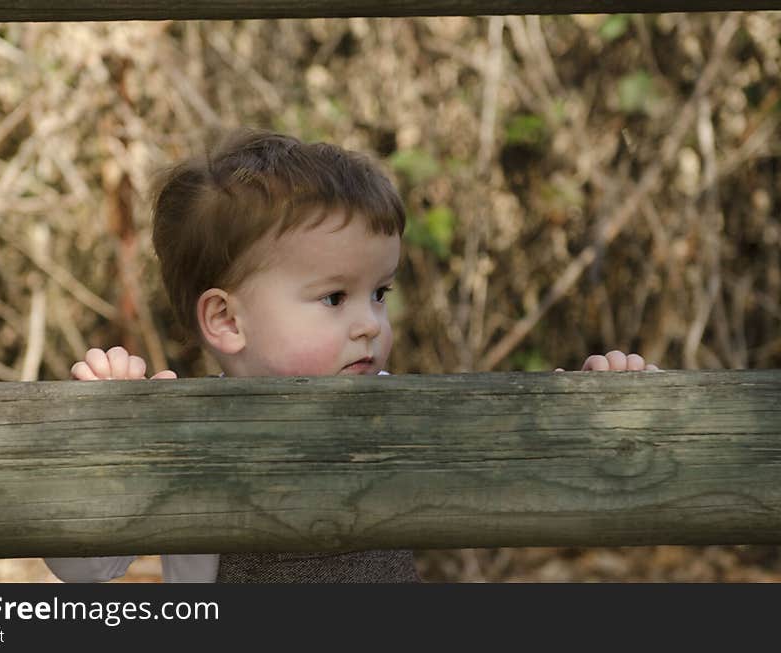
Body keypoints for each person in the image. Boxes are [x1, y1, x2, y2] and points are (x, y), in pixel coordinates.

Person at [45, 128, 658, 583]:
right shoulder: (180, 432)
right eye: (335, 297)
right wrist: (103, 438)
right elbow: (82, 568)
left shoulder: (398, 410)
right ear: (227, 319)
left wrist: (600, 412)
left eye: (380, 293)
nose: (370, 324)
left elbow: (516, 454)